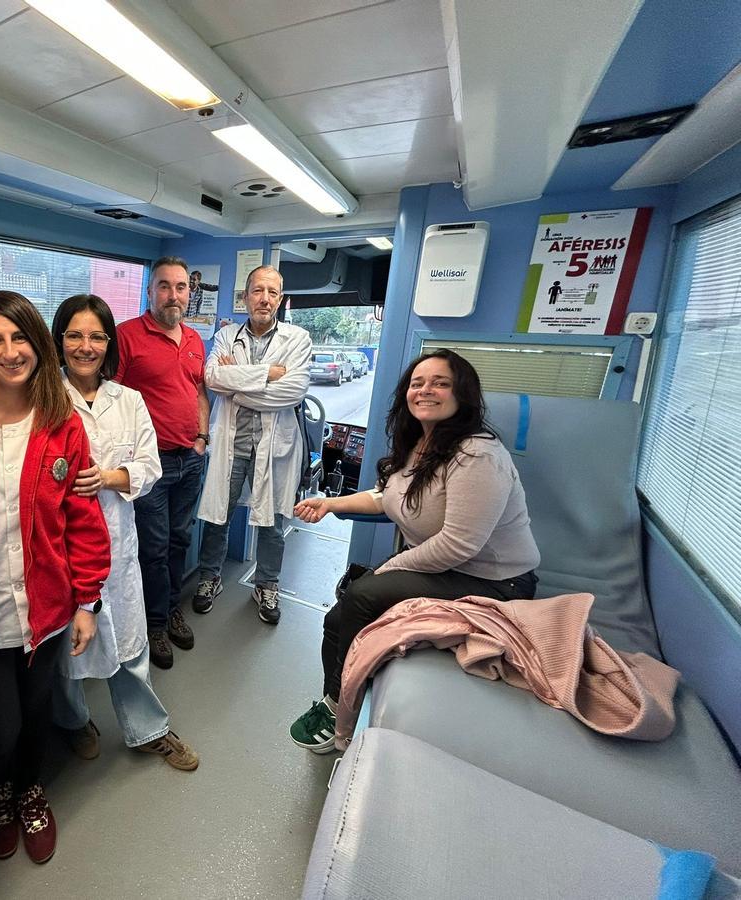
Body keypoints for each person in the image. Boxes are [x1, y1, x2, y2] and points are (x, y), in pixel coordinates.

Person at [290, 349, 541, 753]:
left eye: (440, 383)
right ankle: (333, 698)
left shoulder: (477, 455)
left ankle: (342, 715)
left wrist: (387, 569)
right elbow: (386, 498)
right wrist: (331, 503)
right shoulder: (420, 444)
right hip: (446, 566)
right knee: (337, 620)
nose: (426, 390)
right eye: (417, 382)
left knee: (362, 593)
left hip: (495, 581)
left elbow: (459, 544)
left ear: (463, 395)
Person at [0, 290, 111, 865]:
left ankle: (32, 790)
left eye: (19, 338)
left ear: (38, 344)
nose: (10, 352)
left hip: (49, 606)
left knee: (37, 713)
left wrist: (86, 601)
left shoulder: (61, 423)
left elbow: (82, 521)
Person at [49, 294, 200, 771]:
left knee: (130, 639)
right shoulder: (44, 398)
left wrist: (110, 477)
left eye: (96, 336)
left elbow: (149, 465)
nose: (85, 346)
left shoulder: (128, 399)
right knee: (64, 651)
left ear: (109, 343)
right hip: (62, 547)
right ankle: (74, 723)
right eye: (74, 335)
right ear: (59, 340)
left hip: (118, 542)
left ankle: (147, 729)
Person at [192, 265, 311, 625]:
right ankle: (210, 576)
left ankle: (266, 584)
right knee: (218, 515)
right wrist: (266, 376)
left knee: (272, 522)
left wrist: (239, 387)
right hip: (233, 444)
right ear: (246, 296)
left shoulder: (298, 338)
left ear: (280, 298)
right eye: (258, 291)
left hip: (274, 449)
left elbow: (294, 391)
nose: (265, 298)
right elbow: (213, 377)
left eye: (272, 292)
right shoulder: (227, 335)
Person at [116, 256, 209, 670]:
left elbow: (199, 392)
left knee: (179, 541)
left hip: (191, 459)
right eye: (165, 286)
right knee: (152, 550)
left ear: (190, 292)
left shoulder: (193, 339)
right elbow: (110, 400)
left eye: (181, 287)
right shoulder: (126, 337)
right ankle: (154, 622)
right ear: (150, 291)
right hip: (150, 467)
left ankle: (171, 609)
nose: (174, 294)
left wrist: (202, 438)